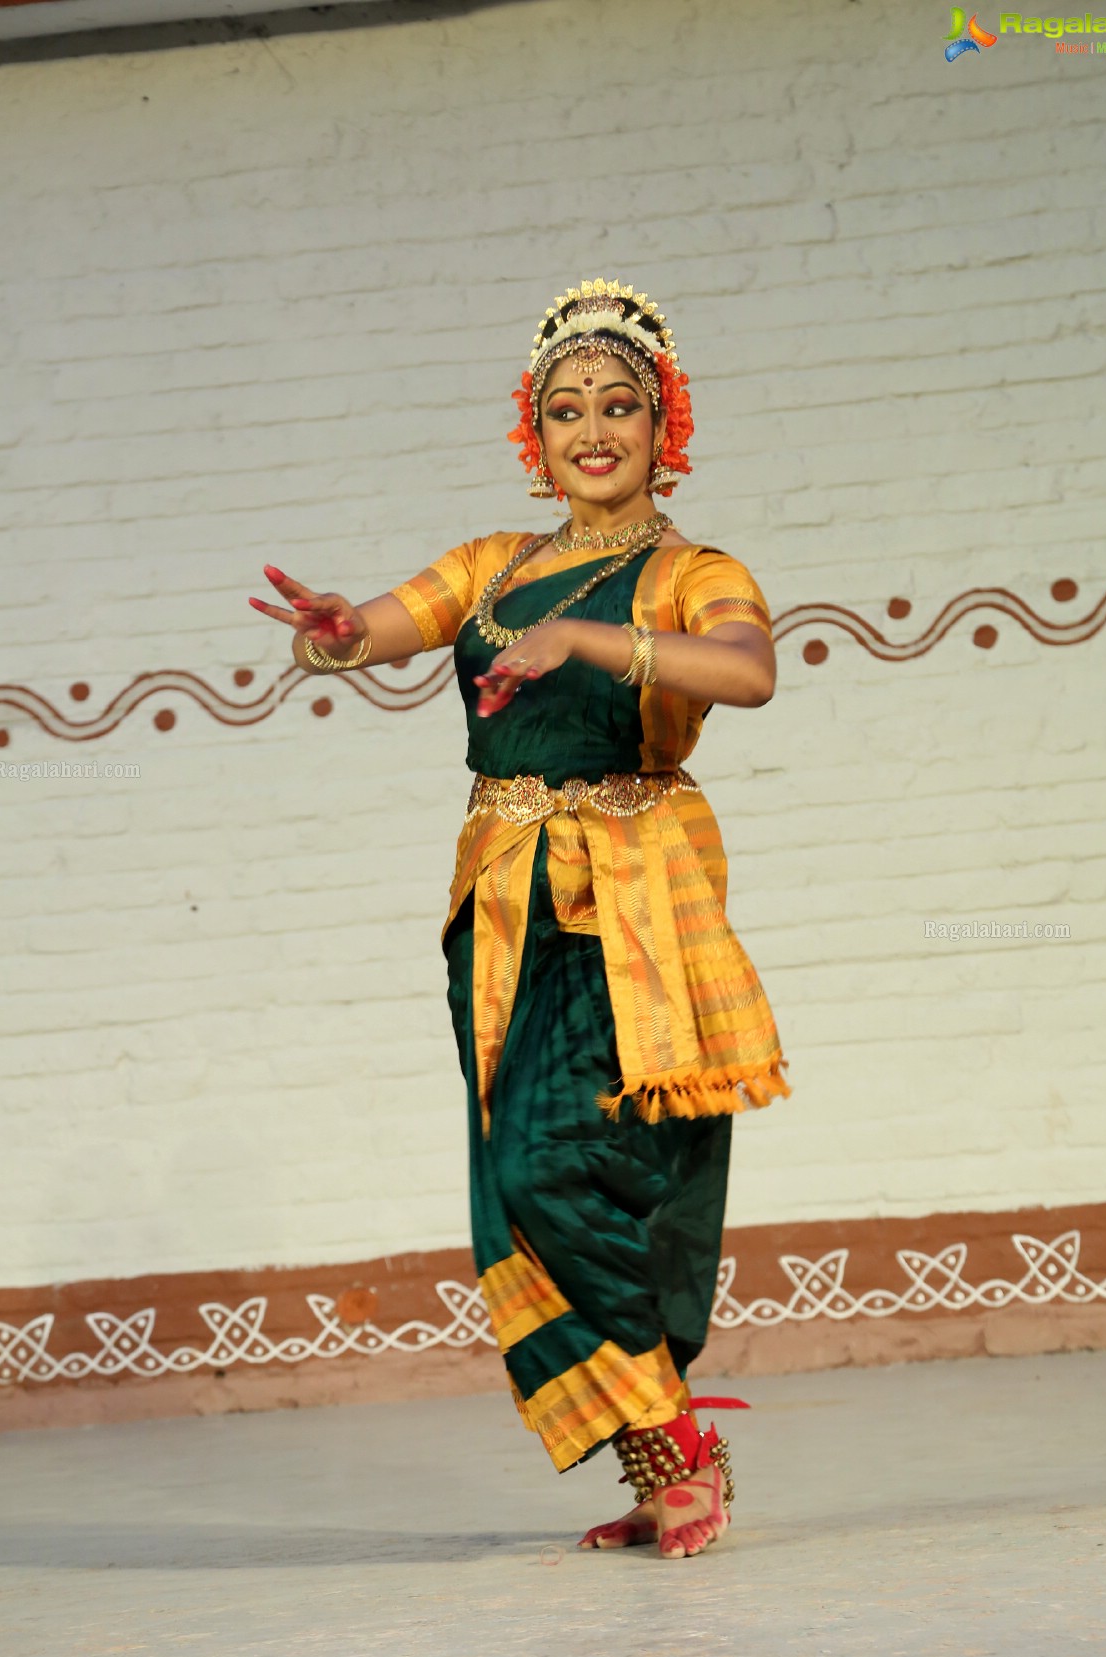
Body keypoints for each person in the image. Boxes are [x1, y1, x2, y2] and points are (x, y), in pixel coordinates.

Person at [249, 278, 790, 1560]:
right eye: (564, 411)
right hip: (501, 902)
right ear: (532, 437)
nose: (591, 430)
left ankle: (674, 1442)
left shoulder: (692, 572)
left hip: (634, 902)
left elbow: (752, 671)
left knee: (583, 1168)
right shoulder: (495, 566)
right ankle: (669, 1465)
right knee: (520, 1181)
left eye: (619, 406)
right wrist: (330, 635)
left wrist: (592, 647)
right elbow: (373, 631)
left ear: (667, 426)